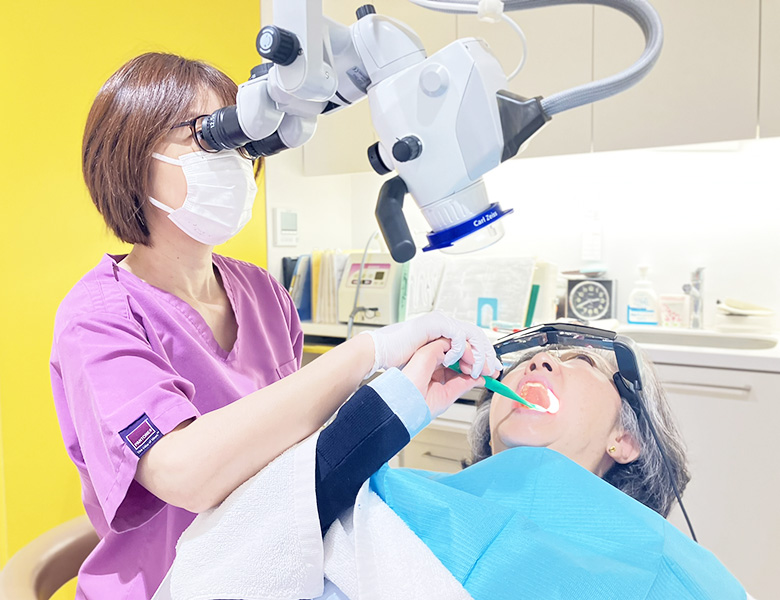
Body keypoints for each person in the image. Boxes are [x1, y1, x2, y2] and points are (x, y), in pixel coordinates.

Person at [49, 52, 501, 600]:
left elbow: (295, 455)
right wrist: (368, 351)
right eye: (209, 136)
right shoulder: (98, 317)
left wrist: (408, 390)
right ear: (130, 155)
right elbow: (186, 473)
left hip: (272, 575)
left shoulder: (263, 294)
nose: (236, 160)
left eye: (244, 141)